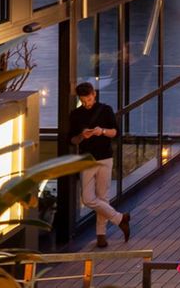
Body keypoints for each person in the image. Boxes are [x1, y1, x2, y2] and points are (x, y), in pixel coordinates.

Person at [67, 82, 130, 248]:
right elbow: (72, 139)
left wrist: (101, 131)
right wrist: (82, 136)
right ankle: (119, 218)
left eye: (88, 98)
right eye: (83, 100)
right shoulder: (75, 114)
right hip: (87, 158)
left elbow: (115, 132)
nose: (87, 103)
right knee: (87, 199)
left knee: (103, 196)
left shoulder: (105, 109)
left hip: (105, 157)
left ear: (94, 94)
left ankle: (101, 235)